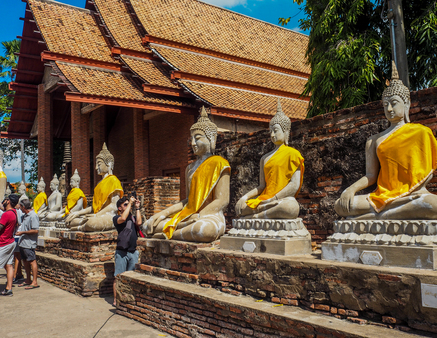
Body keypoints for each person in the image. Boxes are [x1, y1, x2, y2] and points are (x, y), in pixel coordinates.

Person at [334, 61, 437, 220]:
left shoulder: (421, 132)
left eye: (394, 103)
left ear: (406, 104)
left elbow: (427, 174)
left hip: (411, 195)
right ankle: (384, 214)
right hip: (382, 196)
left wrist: (408, 190)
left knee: (433, 204)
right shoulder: (374, 140)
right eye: (385, 105)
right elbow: (371, 176)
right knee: (340, 205)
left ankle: (375, 217)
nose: (389, 109)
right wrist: (350, 190)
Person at [143, 107, 230, 242]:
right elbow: (188, 201)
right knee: (148, 224)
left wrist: (200, 215)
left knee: (203, 230)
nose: (193, 143)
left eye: (198, 138)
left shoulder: (220, 163)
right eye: (192, 139)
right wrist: (162, 213)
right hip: (189, 215)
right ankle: (177, 228)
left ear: (211, 138)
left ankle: (168, 234)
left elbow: (222, 200)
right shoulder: (190, 168)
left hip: (209, 217)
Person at [235, 100, 304, 219]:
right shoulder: (265, 158)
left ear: (285, 131)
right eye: (270, 131)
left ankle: (256, 217)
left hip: (280, 201)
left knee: (290, 207)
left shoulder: (293, 154)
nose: (272, 135)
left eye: (275, 131)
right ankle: (261, 215)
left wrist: (274, 199)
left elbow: (294, 185)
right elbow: (261, 186)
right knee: (241, 208)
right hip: (265, 200)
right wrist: (244, 197)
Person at [113, 195, 142, 307]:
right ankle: (116, 300)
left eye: (127, 203)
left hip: (133, 251)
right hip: (121, 252)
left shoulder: (133, 217)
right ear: (120, 208)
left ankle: (128, 299)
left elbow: (139, 223)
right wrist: (130, 203)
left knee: (131, 277)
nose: (127, 205)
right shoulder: (116, 218)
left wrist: (137, 207)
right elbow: (123, 219)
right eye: (125, 204)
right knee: (118, 277)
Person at [16, 199, 40, 289]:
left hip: (29, 243)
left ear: (24, 207)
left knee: (32, 261)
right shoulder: (25, 215)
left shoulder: (33, 216)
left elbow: (35, 230)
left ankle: (35, 282)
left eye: (20, 206)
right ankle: (28, 279)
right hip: (23, 243)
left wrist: (22, 232)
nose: (20, 208)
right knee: (25, 261)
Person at [0, 194, 20, 296]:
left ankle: (9, 289)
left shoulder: (6, 214)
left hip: (3, 242)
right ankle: (9, 289)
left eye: (5, 199)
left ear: (8, 201)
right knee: (8, 266)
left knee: (7, 265)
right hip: (10, 241)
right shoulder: (14, 212)